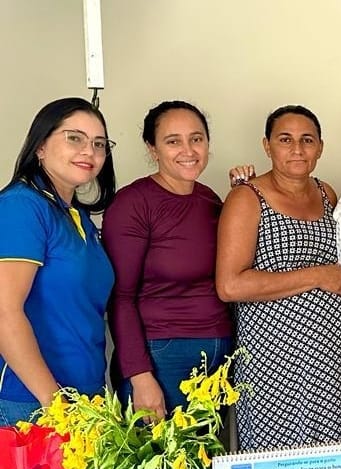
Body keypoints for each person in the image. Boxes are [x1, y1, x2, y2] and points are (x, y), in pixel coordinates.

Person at [216, 105, 341, 450]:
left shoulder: (326, 193)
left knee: (332, 460)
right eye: (285, 139)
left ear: (320, 147)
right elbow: (230, 285)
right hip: (276, 359)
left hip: (332, 354)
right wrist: (316, 276)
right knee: (279, 462)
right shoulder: (247, 198)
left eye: (307, 140)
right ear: (267, 146)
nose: (297, 149)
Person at [103, 101, 232, 421]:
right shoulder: (133, 203)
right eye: (173, 141)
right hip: (162, 356)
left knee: (204, 453)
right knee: (160, 453)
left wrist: (245, 193)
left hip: (218, 353)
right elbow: (120, 297)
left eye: (196, 139)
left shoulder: (209, 199)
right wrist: (140, 376)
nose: (188, 150)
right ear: (153, 149)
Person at [0, 97, 116, 426]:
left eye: (99, 144)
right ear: (40, 146)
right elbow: (4, 312)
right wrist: (54, 403)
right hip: (32, 403)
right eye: (74, 138)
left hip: (85, 397)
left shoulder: (78, 217)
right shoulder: (21, 206)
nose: (89, 152)